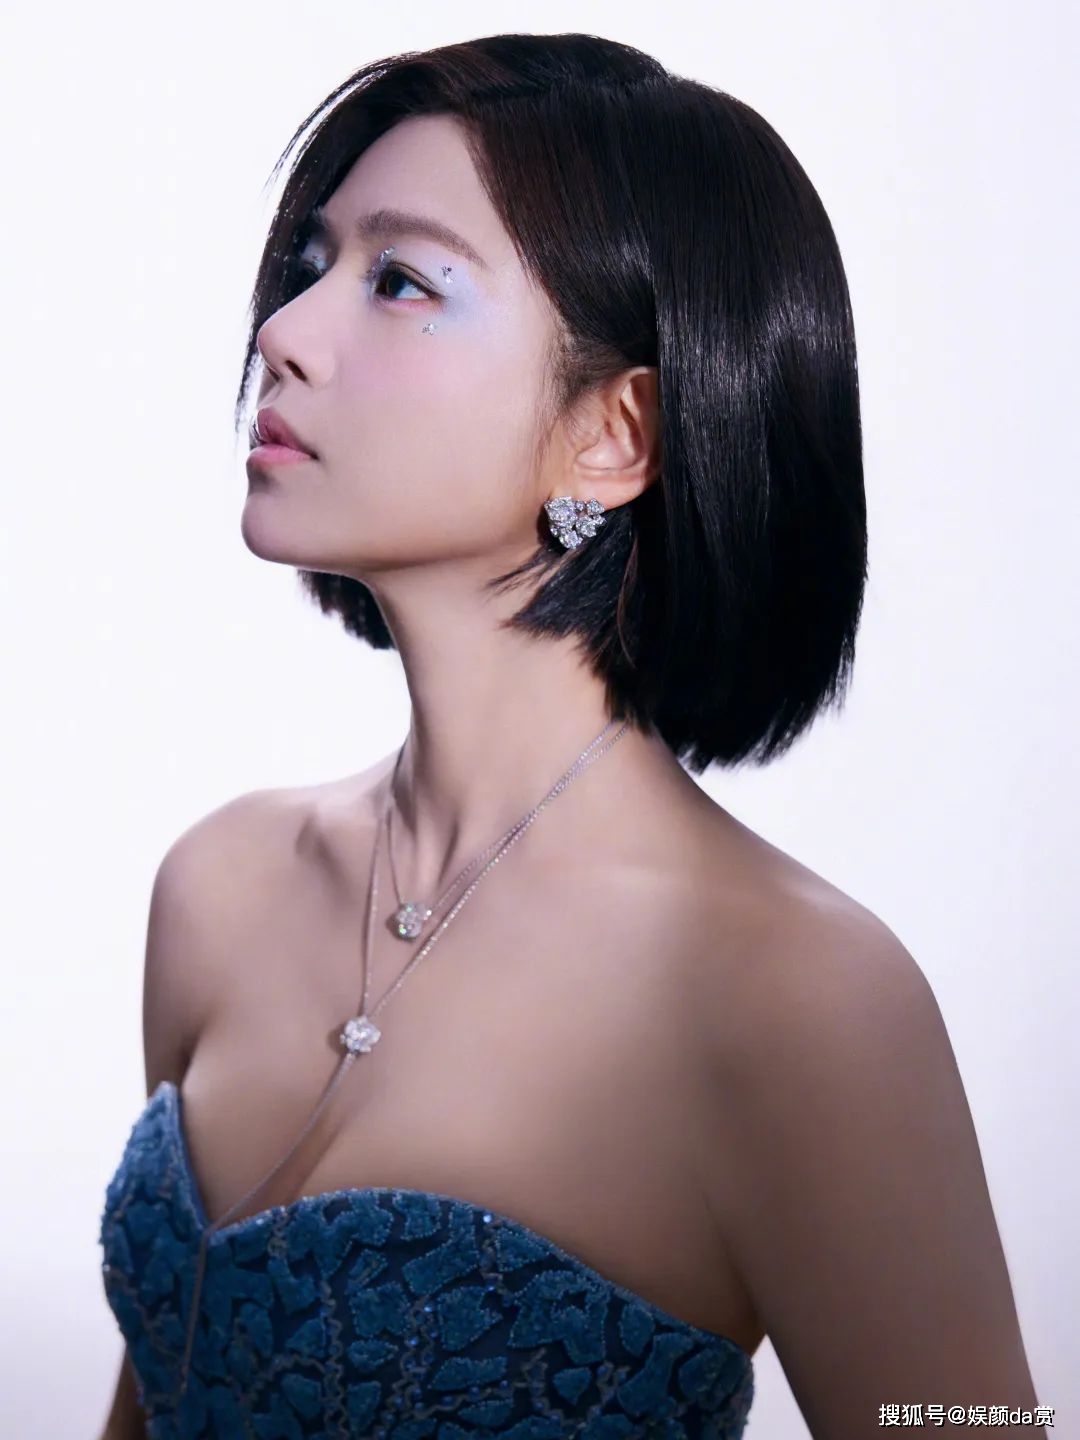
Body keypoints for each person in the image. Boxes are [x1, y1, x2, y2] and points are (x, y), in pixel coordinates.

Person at [96, 31, 1046, 1440]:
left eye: (401, 281)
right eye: (311, 262)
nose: (284, 329)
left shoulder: (793, 999)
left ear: (615, 435)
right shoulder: (219, 886)